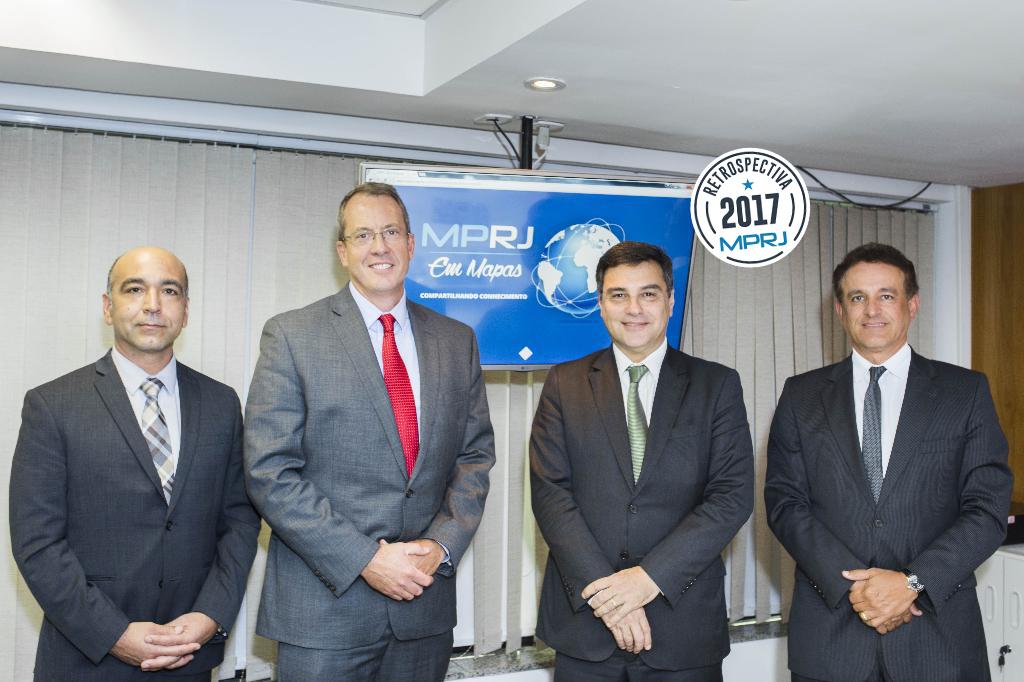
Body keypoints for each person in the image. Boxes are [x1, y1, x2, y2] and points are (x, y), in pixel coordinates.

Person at [244, 181, 495, 681]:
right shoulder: (292, 335)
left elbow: (474, 458)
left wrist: (441, 545)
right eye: (363, 235)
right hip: (324, 612)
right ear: (342, 252)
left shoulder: (456, 341)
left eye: (390, 232)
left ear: (411, 244)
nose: (379, 247)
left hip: (422, 607)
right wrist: (365, 559)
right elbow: (270, 471)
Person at [9, 247, 260, 681]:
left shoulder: (221, 404)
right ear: (108, 307)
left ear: (186, 311)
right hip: (86, 662)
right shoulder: (52, 405)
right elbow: (38, 544)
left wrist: (210, 615)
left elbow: (239, 522)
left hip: (188, 657)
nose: (153, 304)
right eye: (134, 289)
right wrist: (114, 634)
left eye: (169, 291)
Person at [765, 242, 1012, 681]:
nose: (872, 309)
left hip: (938, 641)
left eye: (886, 295)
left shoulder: (965, 392)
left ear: (912, 305)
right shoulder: (800, 396)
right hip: (832, 639)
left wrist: (911, 582)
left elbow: (987, 510)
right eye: (857, 297)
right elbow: (786, 504)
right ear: (840, 310)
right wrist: (859, 589)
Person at [530, 241, 754, 681]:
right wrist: (610, 598)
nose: (633, 308)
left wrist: (647, 579)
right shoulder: (564, 383)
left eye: (648, 294)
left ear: (670, 301)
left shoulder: (716, 385)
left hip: (683, 624)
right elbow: (551, 494)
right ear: (600, 304)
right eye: (619, 295)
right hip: (586, 624)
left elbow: (731, 496)